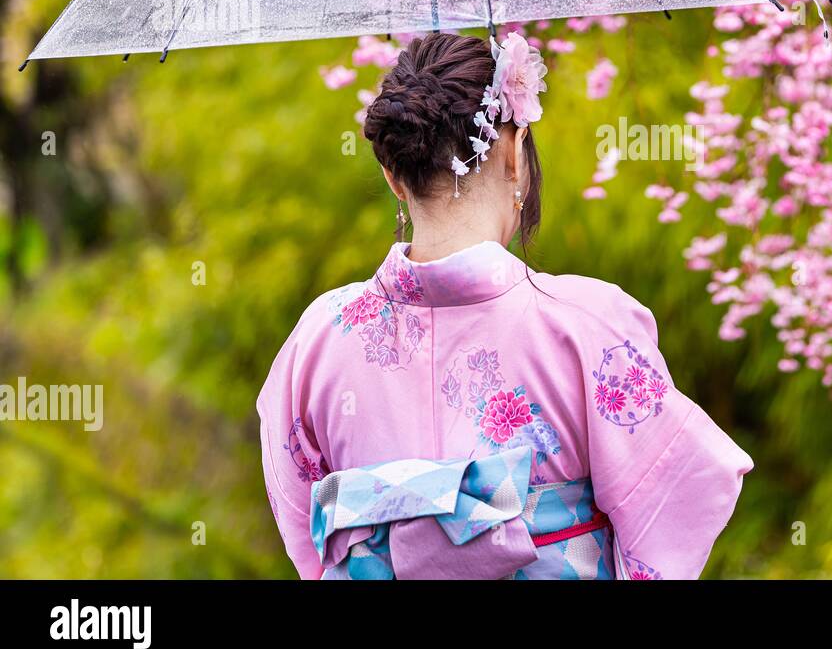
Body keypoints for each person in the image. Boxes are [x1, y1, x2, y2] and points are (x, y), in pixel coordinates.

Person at [256, 30, 753, 579]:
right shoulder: (588, 325)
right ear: (515, 153)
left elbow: (309, 537)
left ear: (393, 176)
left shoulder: (319, 340)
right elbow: (680, 496)